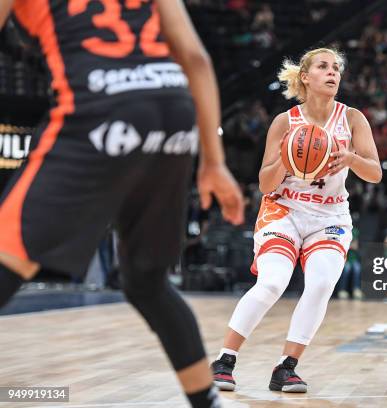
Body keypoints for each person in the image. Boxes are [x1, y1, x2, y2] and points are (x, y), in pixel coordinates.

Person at [0, 1, 245, 407]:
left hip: (98, 110)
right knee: (147, 282)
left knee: (8, 256)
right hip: (173, 115)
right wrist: (214, 163)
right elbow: (196, 58)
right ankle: (207, 400)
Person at [211, 47, 382, 393]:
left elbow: (375, 173)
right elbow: (264, 183)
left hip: (330, 214)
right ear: (306, 77)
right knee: (273, 283)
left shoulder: (352, 119)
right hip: (284, 210)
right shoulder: (285, 122)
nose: (333, 72)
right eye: (323, 67)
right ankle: (224, 360)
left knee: (320, 284)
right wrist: (288, 161)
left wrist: (350, 157)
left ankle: (286, 367)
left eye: (336, 68)